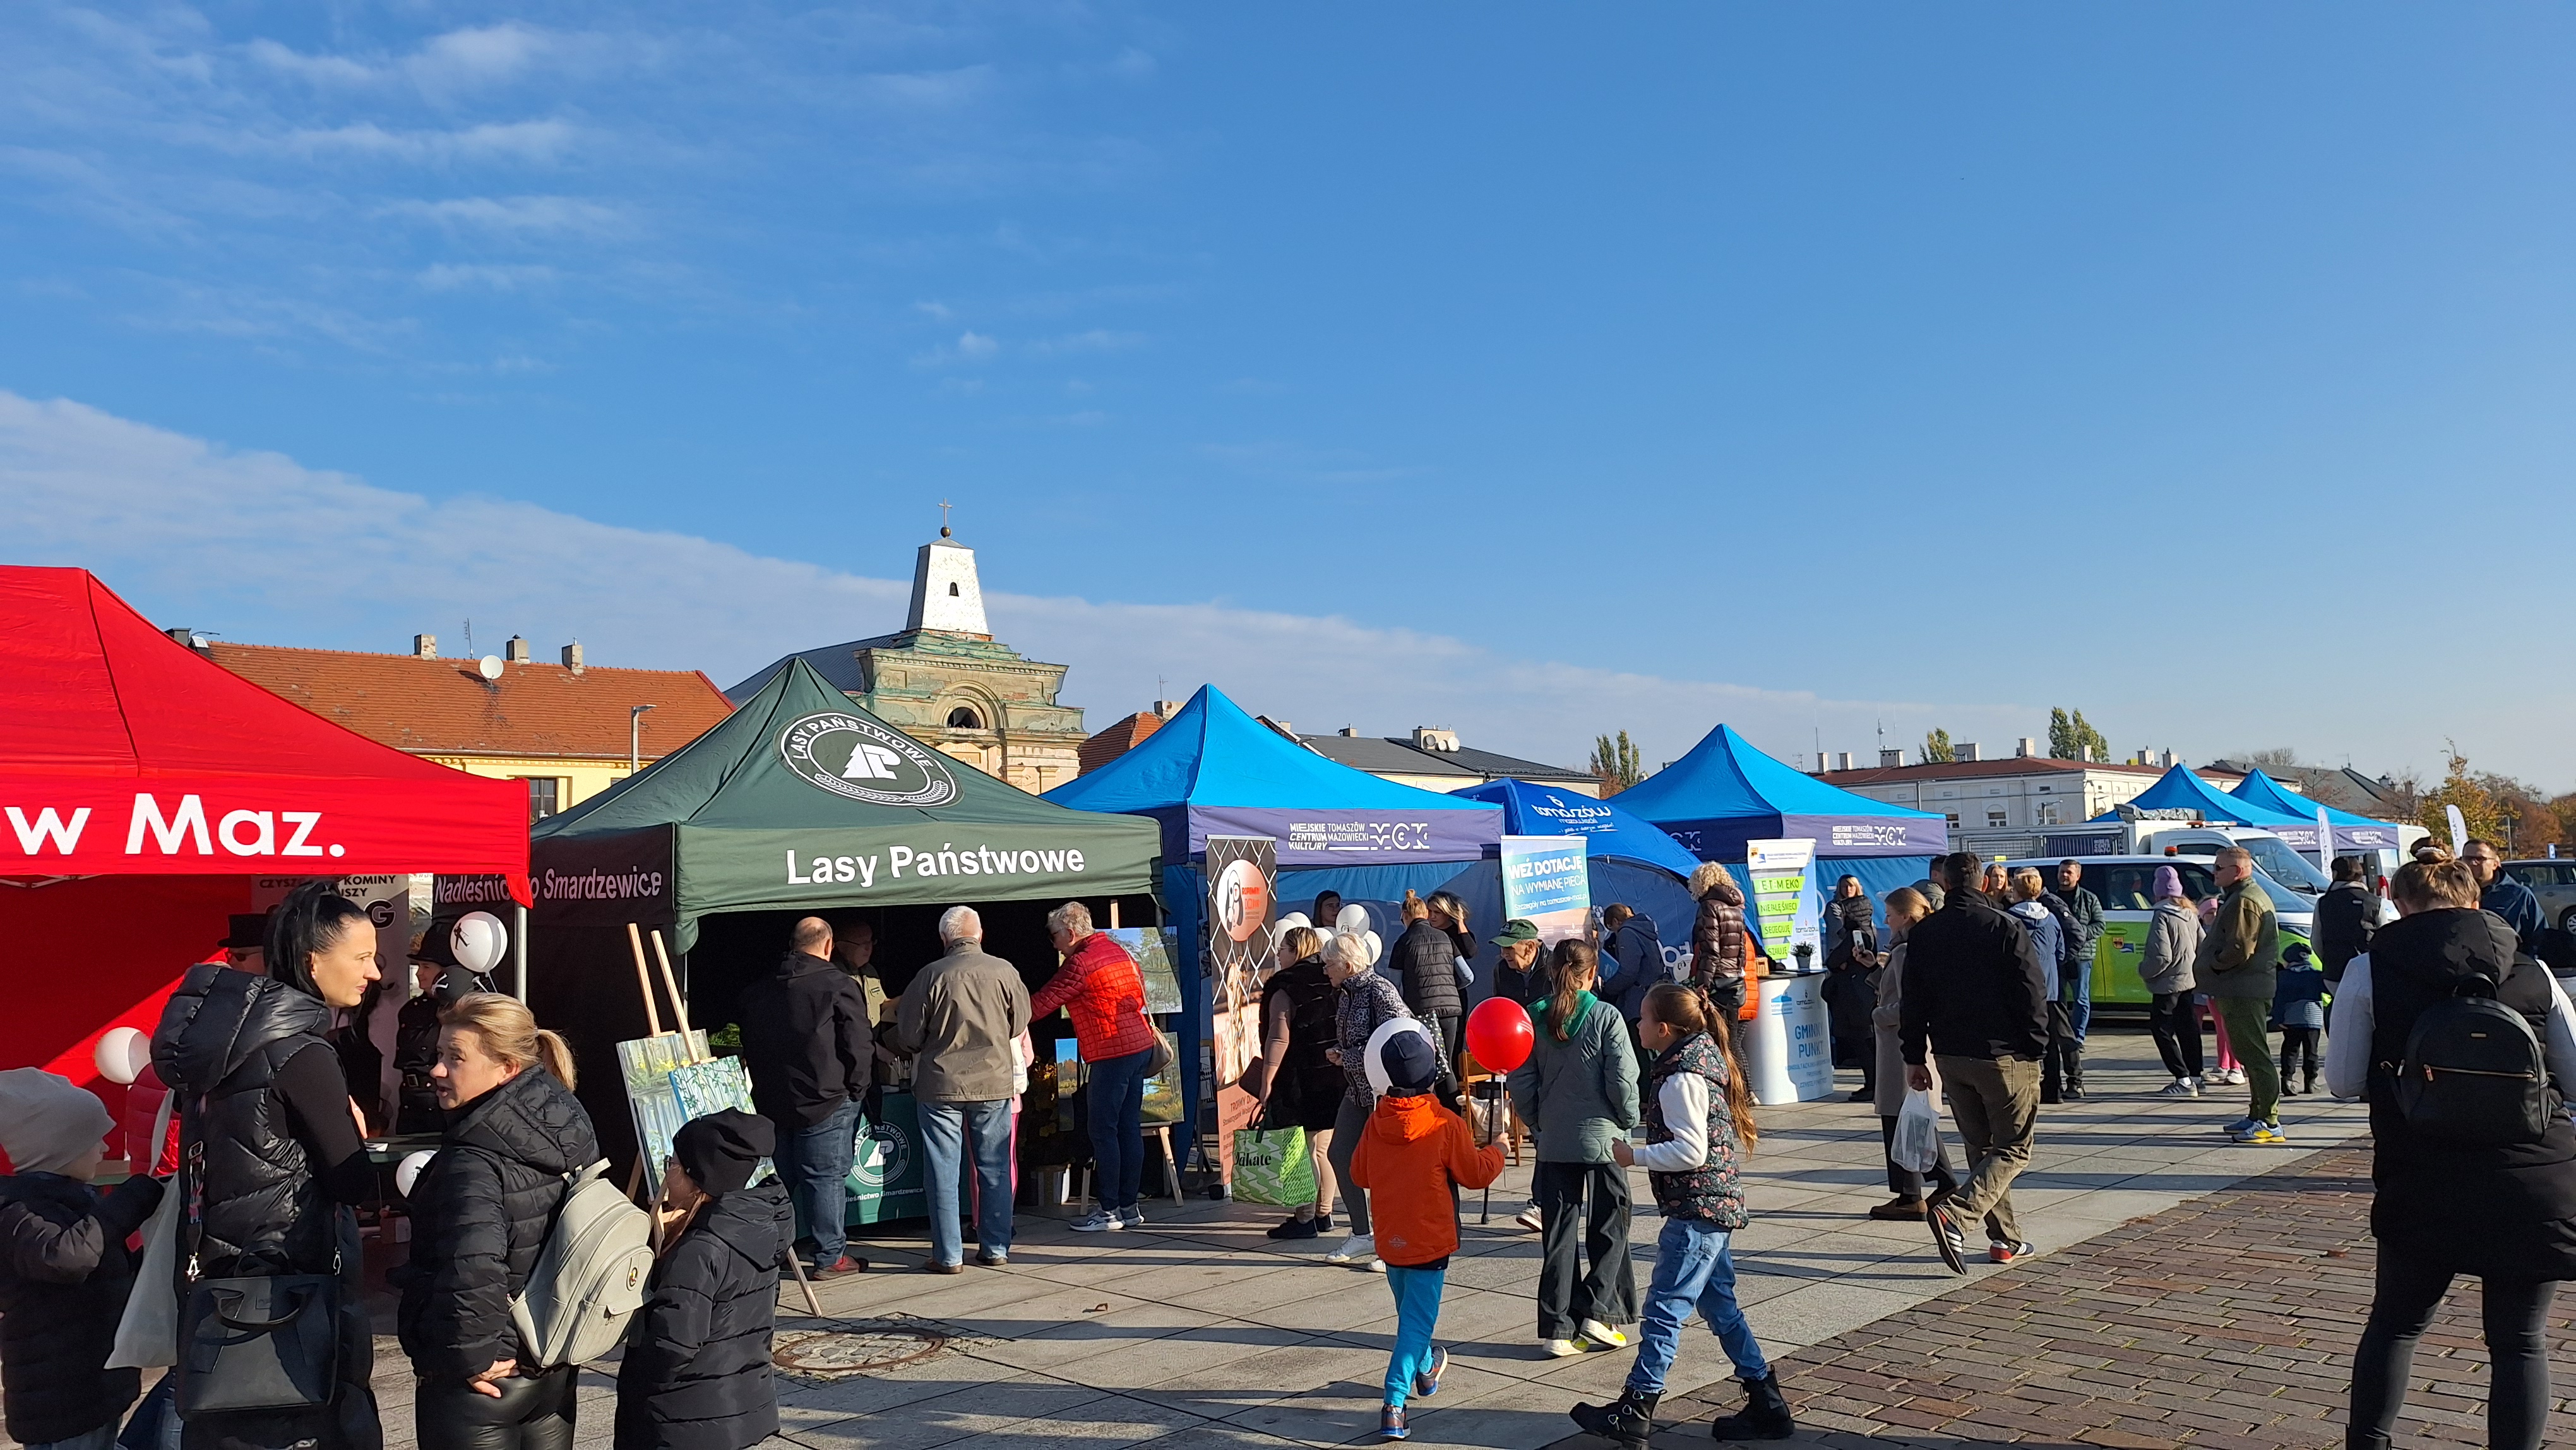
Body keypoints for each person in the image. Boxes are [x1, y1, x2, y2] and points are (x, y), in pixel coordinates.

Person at [2332, 853, 2576, 1450]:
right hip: (2533, 1176)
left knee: (2396, 1325)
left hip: (2421, 1170)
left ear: (2401, 902)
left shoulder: (2369, 970)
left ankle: (2370, 1443)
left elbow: (2340, 1080)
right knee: (2521, 1340)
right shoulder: (2533, 969)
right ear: (2475, 902)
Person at [151, 880, 385, 1450]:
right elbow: (351, 1180)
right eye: (362, 958)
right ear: (313, 961)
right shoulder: (302, 1053)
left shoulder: (230, 1045)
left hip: (224, 1273)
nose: (374, 973)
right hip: (289, 1282)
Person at [1569, 984, 1791, 1445]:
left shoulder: (1680, 1077)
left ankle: (1636, 1408)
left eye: (1645, 1018)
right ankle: (1767, 1403)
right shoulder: (1696, 1061)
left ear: (1664, 1030)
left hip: (1698, 1210)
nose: (1638, 1025)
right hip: (1711, 1206)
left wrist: (1636, 1156)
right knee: (1721, 1309)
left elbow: (1692, 1150)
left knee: (1664, 1311)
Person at [396, 993, 597, 1450]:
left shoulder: (473, 1159)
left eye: (455, 1058)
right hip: (551, 1364)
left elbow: (476, 1265)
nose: (437, 1070)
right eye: (438, 1055)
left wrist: (474, 1358)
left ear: (506, 1067)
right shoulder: (568, 1121)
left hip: (484, 1382)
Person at [1347, 1028, 1505, 1441]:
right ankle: (1394, 1404)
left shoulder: (1376, 1123)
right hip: (1430, 1239)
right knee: (1416, 1325)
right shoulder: (1443, 1124)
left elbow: (1359, 1174)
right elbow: (1475, 1175)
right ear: (1430, 1076)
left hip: (1391, 1239)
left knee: (1411, 1320)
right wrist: (1499, 1150)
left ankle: (1426, 1370)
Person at [0, 1069, 165, 1450]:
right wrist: (132, 1200)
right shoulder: (19, 1211)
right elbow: (67, 1258)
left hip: (91, 1387)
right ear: (61, 1150)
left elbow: (105, 1268)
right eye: (95, 1141)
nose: (105, 1150)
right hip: (61, 1403)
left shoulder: (72, 1201)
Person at [1900, 852, 2049, 1273]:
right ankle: (1958, 1215)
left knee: (1983, 1150)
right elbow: (2031, 991)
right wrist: (2038, 1046)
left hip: (1950, 1053)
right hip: (2003, 1054)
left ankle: (2006, 1239)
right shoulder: (2004, 926)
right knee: (2014, 1148)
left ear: (1945, 885)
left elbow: (1914, 1000)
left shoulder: (1926, 933)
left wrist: (1915, 1056)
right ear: (1985, 883)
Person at [615, 1110, 792, 1450]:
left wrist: (639, 1380)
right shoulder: (759, 1228)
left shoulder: (699, 1249)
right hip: (737, 1403)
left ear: (698, 1178)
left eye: (673, 1163)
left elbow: (673, 1343)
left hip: (683, 1416)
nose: (667, 1172)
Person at [1506, 940, 1641, 1357]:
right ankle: (1599, 1313)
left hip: (1555, 1141)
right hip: (1604, 1140)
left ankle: (1556, 1329)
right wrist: (1630, 1118)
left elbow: (1521, 1081)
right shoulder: (1605, 1016)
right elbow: (1622, 1080)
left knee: (1559, 1236)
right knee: (1610, 1227)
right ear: (1592, 971)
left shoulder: (1534, 1018)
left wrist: (1539, 1122)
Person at [736, 918, 872, 1278]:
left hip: (774, 1099)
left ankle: (774, 1251)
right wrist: (858, 1089)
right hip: (827, 1098)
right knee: (824, 1178)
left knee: (779, 1179)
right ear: (828, 947)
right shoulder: (838, 984)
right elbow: (859, 1044)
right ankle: (830, 1257)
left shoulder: (760, 988)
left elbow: (748, 1044)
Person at [895, 907, 1031, 1266]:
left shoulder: (929, 976)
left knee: (942, 1170)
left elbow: (908, 1036)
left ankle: (949, 1255)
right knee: (995, 1167)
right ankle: (996, 1248)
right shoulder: (1005, 971)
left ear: (944, 938)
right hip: (993, 1082)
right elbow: (1019, 1023)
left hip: (941, 1086)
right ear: (980, 935)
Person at [1032, 902, 1153, 1235]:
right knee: (1129, 1128)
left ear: (1070, 934)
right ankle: (1129, 1208)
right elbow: (1140, 993)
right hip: (1139, 1046)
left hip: (1111, 1053)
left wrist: (1000, 1015)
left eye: (1055, 936)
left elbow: (1042, 1003)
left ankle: (1109, 1210)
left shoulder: (1079, 964)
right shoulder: (1118, 951)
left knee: (1103, 1131)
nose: (1053, 943)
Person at [1323, 930, 1414, 1269]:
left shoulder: (1379, 989)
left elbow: (1400, 1038)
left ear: (1347, 965)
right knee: (1340, 1154)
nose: (1325, 970)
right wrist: (1343, 1054)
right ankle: (1363, 1235)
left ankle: (1390, 1244)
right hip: (1358, 1090)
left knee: (1384, 1171)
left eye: (1329, 964)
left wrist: (1346, 1056)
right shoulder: (1346, 991)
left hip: (1385, 1094)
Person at [1869, 889, 1957, 1220]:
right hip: (1907, 1043)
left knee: (1904, 1115)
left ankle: (1917, 1191)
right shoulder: (1914, 947)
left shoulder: (1906, 949)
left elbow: (1910, 1003)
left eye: (1890, 914)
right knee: (1909, 1116)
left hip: (1900, 1044)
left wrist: (1879, 1014)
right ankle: (1923, 1188)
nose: (1886, 920)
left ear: (1905, 916)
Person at [1253, 926, 1344, 1240]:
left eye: (1283, 949)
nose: (1278, 955)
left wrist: (1267, 1080)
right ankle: (1324, 1214)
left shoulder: (1285, 986)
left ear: (1296, 951)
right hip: (1333, 1075)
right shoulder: (1330, 977)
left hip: (1301, 1079)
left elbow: (1279, 1037)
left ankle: (1304, 1218)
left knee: (1301, 1151)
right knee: (1323, 1149)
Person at [2200, 846, 2286, 1144]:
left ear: (2238, 871)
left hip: (2243, 988)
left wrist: (2212, 964)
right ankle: (2257, 1113)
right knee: (2248, 1054)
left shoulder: (2245, 901)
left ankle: (2269, 1121)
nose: (2214, 873)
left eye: (2220, 868)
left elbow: (2239, 948)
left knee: (2255, 1055)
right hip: (2240, 987)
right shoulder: (2240, 897)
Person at [1386, 892, 1464, 1103]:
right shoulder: (1445, 937)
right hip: (1451, 1011)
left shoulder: (1403, 942)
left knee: (1426, 1064)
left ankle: (1431, 1113)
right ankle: (1454, 1117)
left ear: (1404, 915)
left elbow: (1394, 986)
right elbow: (1468, 976)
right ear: (1426, 914)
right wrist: (1449, 988)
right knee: (1447, 1063)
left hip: (1421, 1012)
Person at [2003, 870, 2069, 1106]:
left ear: (2016, 892)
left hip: (2019, 988)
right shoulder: (2051, 918)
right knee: (2050, 1040)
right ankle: (2054, 1088)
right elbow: (2061, 953)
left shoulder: (2009, 919)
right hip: (2049, 988)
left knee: (2018, 1039)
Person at [2138, 866, 2206, 1097]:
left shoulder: (2162, 915)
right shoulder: (2190, 913)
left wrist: (2144, 971)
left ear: (2157, 892)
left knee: (2161, 1030)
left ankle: (2183, 1079)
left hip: (2167, 983)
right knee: (2189, 1028)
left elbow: (2161, 956)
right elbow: (2202, 943)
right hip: (2189, 980)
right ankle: (2197, 1075)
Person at [1822, 878, 1880, 1102]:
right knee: (1867, 1041)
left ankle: (1872, 1085)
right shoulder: (1870, 929)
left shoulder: (1855, 935)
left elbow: (1833, 961)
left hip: (1855, 994)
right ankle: (1873, 1085)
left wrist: (1840, 962)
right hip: (1864, 991)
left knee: (1862, 1041)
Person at [1686, 865, 1752, 1023]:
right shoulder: (1735, 908)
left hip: (1717, 980)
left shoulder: (1708, 906)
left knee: (1716, 1036)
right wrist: (1738, 971)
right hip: (1734, 979)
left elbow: (1711, 951)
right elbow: (1741, 949)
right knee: (1732, 1038)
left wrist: (1702, 985)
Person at [2464, 839, 2546, 953]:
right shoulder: (2454, 893)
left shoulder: (2518, 895)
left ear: (2495, 864)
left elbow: (2538, 935)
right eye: (2468, 859)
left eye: (2480, 859)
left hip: (2508, 964)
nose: (2473, 863)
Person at [1598, 904, 1666, 1031]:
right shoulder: (1644, 928)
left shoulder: (1626, 933)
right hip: (1654, 992)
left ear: (1614, 922)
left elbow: (1628, 972)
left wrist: (1609, 990)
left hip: (1638, 1000)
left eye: (1611, 928)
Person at [2272, 944, 2326, 1098]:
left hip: (2291, 1019)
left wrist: (2278, 1019)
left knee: (2290, 1050)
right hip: (2312, 1019)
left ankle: (2287, 1080)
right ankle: (2310, 1082)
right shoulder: (2316, 975)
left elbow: (2278, 1000)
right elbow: (2329, 989)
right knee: (2312, 1051)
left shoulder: (2284, 976)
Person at [2315, 856, 2379, 985]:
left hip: (2334, 973)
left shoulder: (2324, 902)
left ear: (2335, 874)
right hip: (2368, 971)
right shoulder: (2375, 902)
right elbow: (2386, 937)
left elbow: (2316, 939)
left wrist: (2328, 961)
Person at [1491, 919, 1544, 1006]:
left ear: (1530, 947)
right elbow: (1500, 1006)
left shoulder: (1555, 966)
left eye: (1509, 948)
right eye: (1502, 947)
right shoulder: (1501, 970)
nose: (1503, 954)